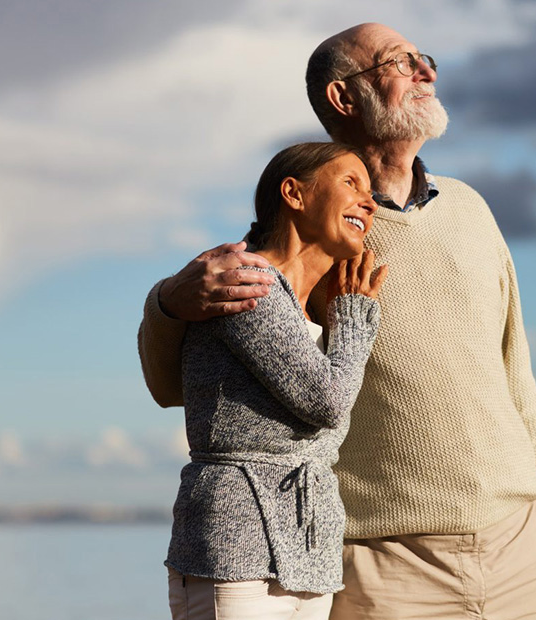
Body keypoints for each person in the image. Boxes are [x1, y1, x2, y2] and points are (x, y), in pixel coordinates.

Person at [139, 22, 536, 619]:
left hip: (524, 546)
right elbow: (174, 388)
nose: (427, 72)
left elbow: (514, 366)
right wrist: (164, 304)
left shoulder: (471, 209)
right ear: (344, 98)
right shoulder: (308, 243)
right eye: (400, 62)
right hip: (381, 562)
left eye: (426, 59)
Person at [164, 142, 387, 619]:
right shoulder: (244, 280)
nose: (369, 201)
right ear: (294, 193)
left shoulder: (308, 309)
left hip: (311, 547)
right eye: (351, 183)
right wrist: (354, 315)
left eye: (371, 191)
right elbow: (326, 402)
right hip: (236, 539)